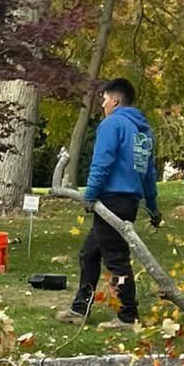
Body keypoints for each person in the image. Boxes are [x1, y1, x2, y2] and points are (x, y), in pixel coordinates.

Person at [68, 77, 161, 329]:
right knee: (90, 253)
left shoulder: (112, 124)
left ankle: (127, 315)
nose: (103, 104)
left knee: (116, 259)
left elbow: (102, 162)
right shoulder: (144, 132)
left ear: (116, 100)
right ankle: (80, 308)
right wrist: (153, 207)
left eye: (105, 99)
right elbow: (149, 174)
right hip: (128, 201)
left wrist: (90, 194)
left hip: (110, 199)